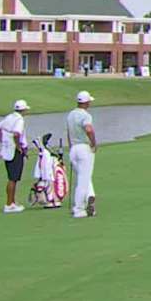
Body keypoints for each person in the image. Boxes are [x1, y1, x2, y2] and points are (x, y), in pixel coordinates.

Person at [0, 99, 31, 213]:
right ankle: (9, 204)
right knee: (13, 178)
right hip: (14, 151)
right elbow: (16, 134)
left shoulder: (9, 117)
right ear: (23, 110)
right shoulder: (19, 120)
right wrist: (19, 146)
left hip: (7, 150)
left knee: (12, 178)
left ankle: (12, 203)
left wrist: (3, 142)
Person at [66, 90, 99, 218]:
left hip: (73, 148)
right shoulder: (86, 115)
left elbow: (68, 132)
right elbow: (89, 129)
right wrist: (94, 143)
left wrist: (70, 148)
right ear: (86, 102)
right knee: (83, 180)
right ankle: (79, 209)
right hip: (84, 148)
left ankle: (90, 195)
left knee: (82, 177)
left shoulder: (70, 114)